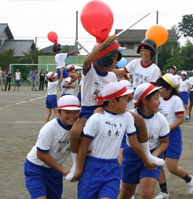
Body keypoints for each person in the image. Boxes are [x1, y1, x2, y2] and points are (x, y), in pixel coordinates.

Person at [67, 35, 164, 181]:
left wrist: (129, 96)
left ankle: (148, 153)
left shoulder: (112, 76)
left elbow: (114, 96)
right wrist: (105, 43)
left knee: (138, 120)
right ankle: (76, 166)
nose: (116, 61)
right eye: (113, 57)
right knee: (75, 131)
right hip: (89, 111)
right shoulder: (90, 71)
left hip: (108, 108)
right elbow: (87, 60)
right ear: (103, 58)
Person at [72, 82, 156, 199]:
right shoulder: (96, 118)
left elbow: (134, 144)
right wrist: (79, 170)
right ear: (112, 101)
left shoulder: (127, 117)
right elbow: (83, 147)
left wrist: (146, 160)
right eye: (125, 99)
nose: (128, 102)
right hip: (92, 168)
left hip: (112, 169)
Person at [118, 83, 169, 199]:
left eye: (159, 98)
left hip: (152, 155)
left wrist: (154, 156)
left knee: (147, 194)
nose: (159, 102)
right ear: (145, 101)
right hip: (132, 156)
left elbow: (165, 142)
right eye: (156, 99)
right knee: (126, 193)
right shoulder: (130, 116)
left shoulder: (161, 119)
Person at [24, 95, 81, 199]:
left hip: (54, 171)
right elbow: (41, 154)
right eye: (67, 112)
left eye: (76, 112)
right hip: (36, 168)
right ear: (59, 112)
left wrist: (76, 170)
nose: (72, 115)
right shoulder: (50, 128)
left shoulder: (76, 131)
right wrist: (63, 170)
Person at [154, 74, 193, 199]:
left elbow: (181, 118)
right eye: (157, 87)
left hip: (172, 136)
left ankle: (188, 179)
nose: (158, 89)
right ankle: (164, 192)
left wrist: (167, 129)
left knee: (172, 168)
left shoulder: (176, 100)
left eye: (161, 87)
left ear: (169, 89)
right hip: (159, 137)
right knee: (157, 164)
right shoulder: (156, 99)